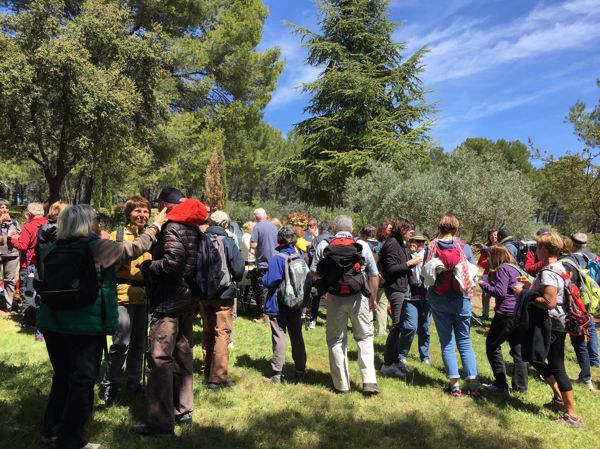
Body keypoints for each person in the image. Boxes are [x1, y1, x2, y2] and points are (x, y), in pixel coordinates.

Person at [37, 204, 166, 449]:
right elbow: (136, 248)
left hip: (53, 322)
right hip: (84, 325)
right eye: (97, 219)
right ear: (86, 223)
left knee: (62, 377)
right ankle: (71, 439)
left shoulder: (54, 247)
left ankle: (51, 430)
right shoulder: (98, 247)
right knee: (82, 381)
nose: (100, 224)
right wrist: (156, 226)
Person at [133, 188, 207, 437]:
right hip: (188, 301)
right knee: (183, 355)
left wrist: (147, 266)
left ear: (164, 206)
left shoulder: (173, 227)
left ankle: (160, 423)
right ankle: (183, 410)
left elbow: (172, 263)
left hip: (168, 302)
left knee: (159, 359)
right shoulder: (194, 227)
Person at [513, 232, 582, 427]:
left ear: (545, 249)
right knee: (536, 358)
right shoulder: (558, 268)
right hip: (557, 323)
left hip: (550, 324)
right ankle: (559, 399)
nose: (535, 250)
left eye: (538, 246)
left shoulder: (549, 271)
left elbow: (549, 302)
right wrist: (531, 286)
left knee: (556, 367)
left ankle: (572, 415)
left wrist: (523, 293)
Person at [316, 215, 380, 395]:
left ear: (334, 228)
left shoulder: (324, 245)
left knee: (336, 340)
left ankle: (342, 385)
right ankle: (369, 381)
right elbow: (374, 275)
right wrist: (372, 299)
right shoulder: (363, 246)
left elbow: (315, 271)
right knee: (364, 337)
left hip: (334, 298)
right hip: (358, 296)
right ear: (352, 229)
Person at [99, 196, 153, 404]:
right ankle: (110, 384)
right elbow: (113, 263)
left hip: (143, 296)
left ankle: (133, 380)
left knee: (139, 343)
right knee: (121, 342)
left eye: (145, 211)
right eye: (137, 211)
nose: (142, 215)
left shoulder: (151, 237)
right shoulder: (118, 235)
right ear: (129, 213)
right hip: (122, 295)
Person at [423, 214, 480, 398]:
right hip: (461, 299)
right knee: (464, 341)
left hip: (439, 299)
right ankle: (473, 385)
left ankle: (455, 386)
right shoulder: (464, 248)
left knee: (446, 342)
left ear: (439, 228)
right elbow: (471, 274)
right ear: (455, 229)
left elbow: (425, 274)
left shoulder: (431, 246)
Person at [200, 211, 244, 389]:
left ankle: (206, 368)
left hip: (203, 294)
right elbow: (239, 269)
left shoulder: (201, 240)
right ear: (226, 224)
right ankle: (217, 377)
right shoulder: (228, 241)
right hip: (223, 295)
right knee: (222, 334)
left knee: (208, 332)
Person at [479, 245, 528, 392]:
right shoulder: (515, 268)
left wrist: (483, 284)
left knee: (492, 345)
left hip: (506, 312)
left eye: (489, 256)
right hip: (519, 312)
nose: (488, 259)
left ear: (495, 257)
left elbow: (499, 292)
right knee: (518, 350)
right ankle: (521, 387)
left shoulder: (502, 269)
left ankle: (500, 383)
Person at [263, 225, 307, 383]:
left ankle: (276, 373)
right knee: (297, 337)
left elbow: (270, 282)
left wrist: (263, 278)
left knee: (279, 337)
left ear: (279, 239)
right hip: (295, 304)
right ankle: (301, 369)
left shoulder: (277, 259)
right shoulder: (300, 258)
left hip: (278, 305)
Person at [379, 217, 422, 377]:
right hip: (394, 287)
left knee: (400, 324)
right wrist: (410, 263)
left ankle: (395, 360)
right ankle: (387, 364)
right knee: (396, 325)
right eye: (409, 231)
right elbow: (390, 269)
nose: (411, 234)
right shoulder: (391, 244)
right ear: (401, 229)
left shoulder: (400, 244)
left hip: (402, 287)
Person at [560, 238, 595, 391]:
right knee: (581, 343)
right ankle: (586, 378)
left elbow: (566, 285)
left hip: (571, 307)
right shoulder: (592, 258)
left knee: (558, 340)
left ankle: (557, 372)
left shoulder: (567, 262)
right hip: (585, 305)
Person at [10, 202, 48, 327]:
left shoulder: (28, 226)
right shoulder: (48, 224)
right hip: (45, 264)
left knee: (27, 291)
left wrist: (13, 239)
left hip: (29, 263)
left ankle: (30, 321)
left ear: (30, 213)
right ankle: (41, 319)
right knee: (41, 292)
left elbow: (23, 245)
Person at [397, 233, 431, 367]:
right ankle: (402, 355)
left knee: (425, 328)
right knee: (410, 327)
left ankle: (425, 356)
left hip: (426, 296)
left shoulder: (428, 256)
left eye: (422, 242)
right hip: (410, 296)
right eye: (417, 241)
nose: (420, 244)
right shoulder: (405, 255)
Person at [569, 232, 599, 368]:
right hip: (592, 295)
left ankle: (585, 358)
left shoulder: (572, 259)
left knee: (579, 325)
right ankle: (594, 359)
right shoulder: (593, 257)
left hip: (578, 296)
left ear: (573, 244)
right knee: (590, 325)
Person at [250, 208, 278, 324]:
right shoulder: (273, 226)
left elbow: (253, 244)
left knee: (263, 289)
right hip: (275, 261)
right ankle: (273, 312)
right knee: (273, 288)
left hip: (263, 263)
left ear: (256, 218)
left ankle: (264, 316)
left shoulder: (257, 227)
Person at [305, 220, 334, 330]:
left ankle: (313, 320)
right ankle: (330, 320)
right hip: (333, 273)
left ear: (320, 229)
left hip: (320, 273)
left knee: (316, 295)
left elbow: (312, 255)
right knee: (331, 296)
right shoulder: (334, 238)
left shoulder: (317, 240)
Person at [0, 198, 21, 313]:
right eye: (2, 207)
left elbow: (20, 234)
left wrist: (15, 235)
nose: (4, 209)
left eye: (6, 207)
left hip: (11, 254)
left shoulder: (14, 221)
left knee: (10, 280)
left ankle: (10, 306)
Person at [372, 221, 391, 337]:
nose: (391, 231)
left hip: (379, 277)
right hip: (381, 278)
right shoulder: (382, 246)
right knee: (382, 304)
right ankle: (381, 331)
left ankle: (378, 328)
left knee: (379, 303)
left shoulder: (378, 245)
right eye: (389, 229)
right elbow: (375, 262)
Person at [476, 228, 498, 320]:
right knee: (485, 295)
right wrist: (490, 263)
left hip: (498, 275)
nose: (493, 236)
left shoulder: (501, 247)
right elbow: (480, 262)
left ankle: (498, 316)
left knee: (498, 295)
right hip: (487, 274)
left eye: (495, 235)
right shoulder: (486, 248)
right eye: (491, 235)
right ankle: (485, 315)